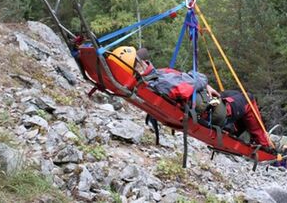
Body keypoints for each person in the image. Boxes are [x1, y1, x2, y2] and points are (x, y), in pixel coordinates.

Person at [111, 46, 273, 150]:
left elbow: (190, 83)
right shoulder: (162, 82)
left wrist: (203, 85)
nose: (147, 61)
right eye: (142, 61)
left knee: (232, 94)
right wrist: (203, 82)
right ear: (138, 67)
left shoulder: (154, 80)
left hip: (203, 101)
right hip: (213, 113)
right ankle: (264, 146)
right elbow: (197, 79)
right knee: (248, 99)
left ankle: (233, 130)